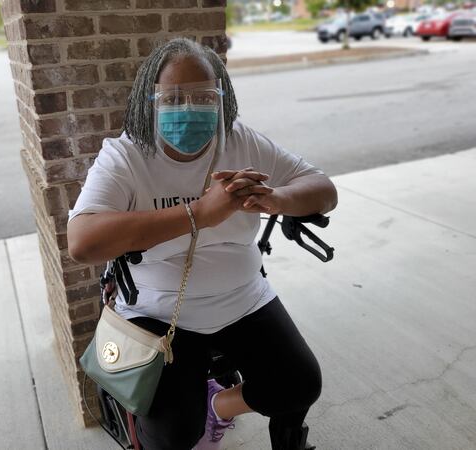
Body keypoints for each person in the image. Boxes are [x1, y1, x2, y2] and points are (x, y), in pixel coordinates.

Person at [67, 38, 338, 450]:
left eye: (203, 96)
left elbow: (323, 189)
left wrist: (276, 199)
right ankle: (184, 419)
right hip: (157, 310)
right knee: (174, 434)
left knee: (299, 384)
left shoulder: (240, 141)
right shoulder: (126, 156)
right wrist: (198, 214)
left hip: (243, 297)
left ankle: (220, 407)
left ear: (222, 99)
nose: (188, 108)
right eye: (173, 97)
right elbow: (82, 242)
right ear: (149, 100)